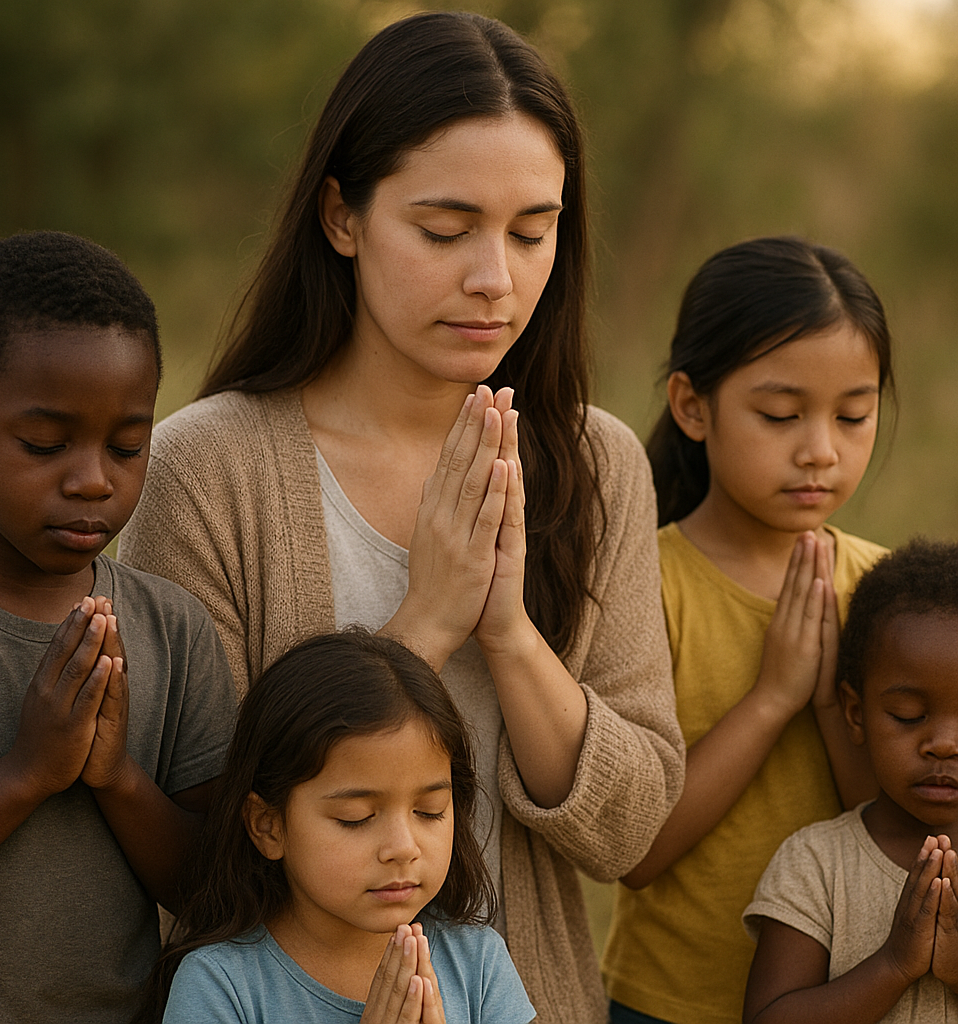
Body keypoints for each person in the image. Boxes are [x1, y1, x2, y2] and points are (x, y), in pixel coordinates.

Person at [118, 11, 684, 1022]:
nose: (494, 278)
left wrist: (509, 634)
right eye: (444, 230)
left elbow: (629, 833)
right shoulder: (207, 470)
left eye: (532, 231)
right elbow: (199, 835)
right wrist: (425, 622)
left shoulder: (597, 464)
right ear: (341, 216)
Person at [0, 231, 237, 1023]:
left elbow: (214, 888)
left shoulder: (172, 631)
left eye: (127, 446)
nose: (93, 479)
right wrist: (27, 773)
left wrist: (117, 778)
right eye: (46, 444)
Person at [603, 236, 894, 1024]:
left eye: (854, 415)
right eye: (780, 415)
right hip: (666, 1004)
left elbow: (903, 829)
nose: (820, 451)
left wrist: (829, 704)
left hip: (847, 999)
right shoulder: (646, 584)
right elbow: (635, 852)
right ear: (692, 406)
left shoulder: (885, 592)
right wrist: (771, 699)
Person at [136, 630, 536, 1024]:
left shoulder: (478, 964)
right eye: (355, 817)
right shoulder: (220, 985)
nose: (403, 847)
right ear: (269, 826)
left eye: (429, 811)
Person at [742, 538, 958, 1023]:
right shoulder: (817, 864)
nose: (944, 744)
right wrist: (894, 964)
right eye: (907, 715)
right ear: (856, 714)